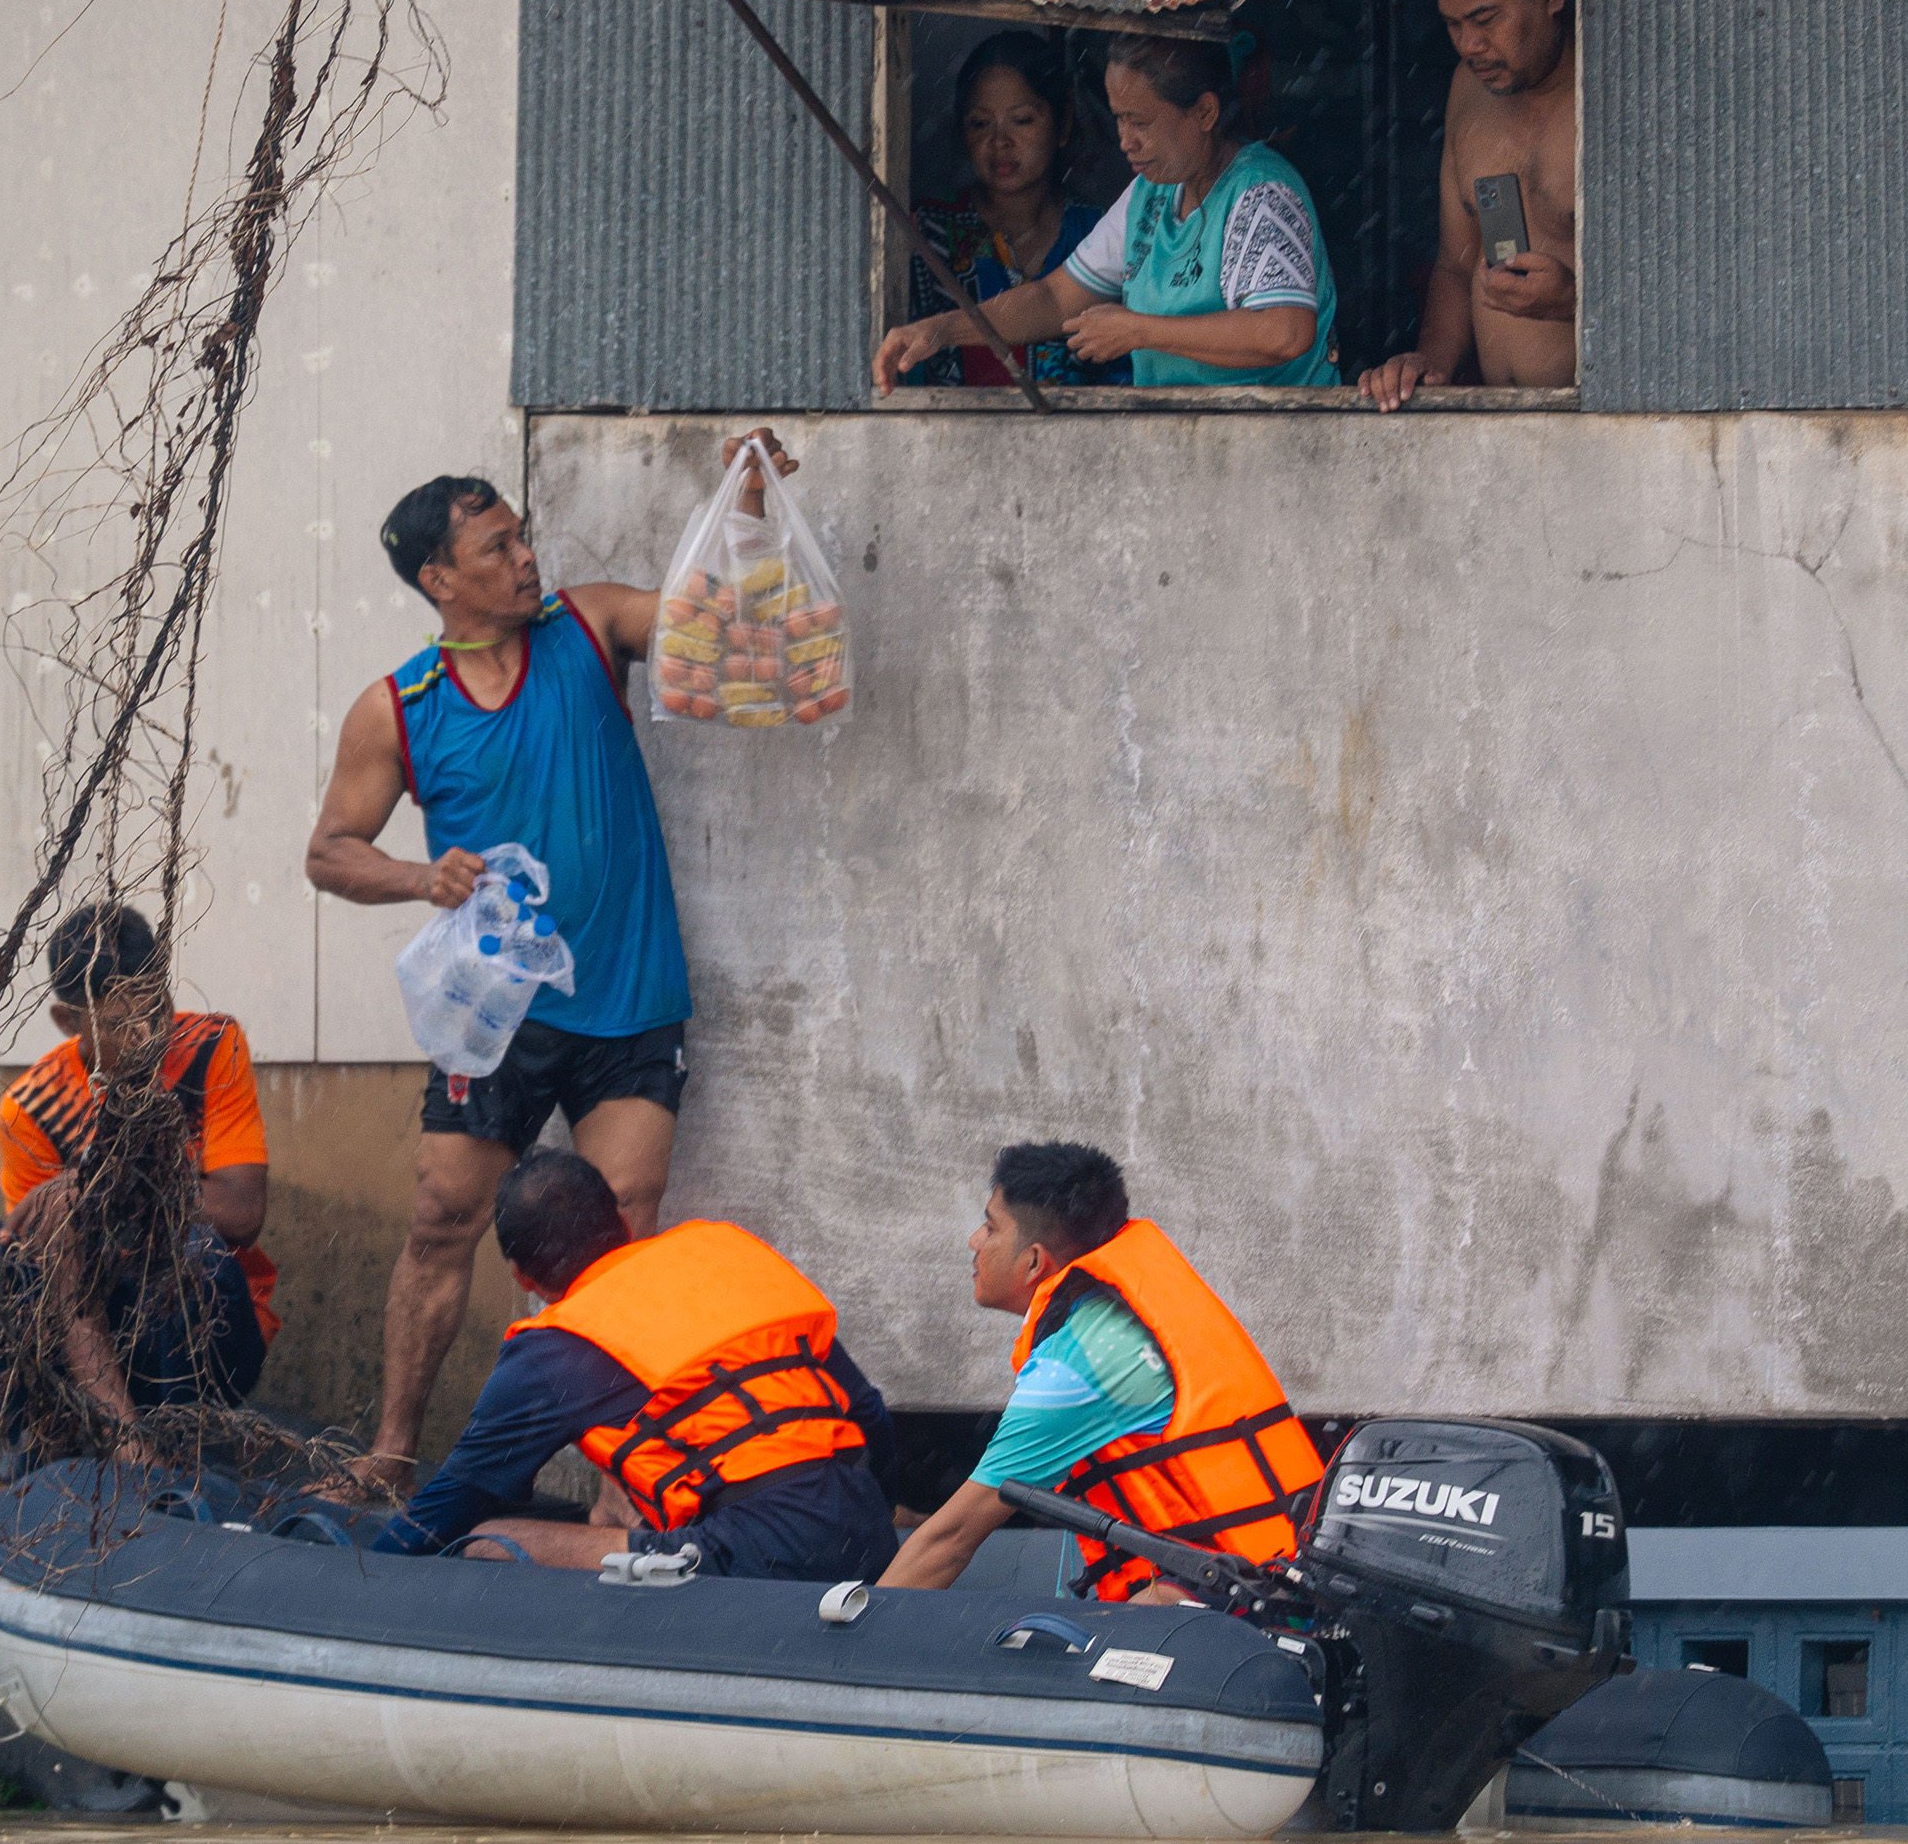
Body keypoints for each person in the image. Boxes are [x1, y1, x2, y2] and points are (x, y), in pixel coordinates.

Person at [305, 435, 791, 1493]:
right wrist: (413, 879)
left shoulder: (586, 625)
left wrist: (744, 500)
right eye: (497, 545)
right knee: (443, 1216)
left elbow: (705, 609)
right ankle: (390, 1456)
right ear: (441, 579)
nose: (526, 556)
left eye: (521, 535)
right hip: (498, 1013)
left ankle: (622, 1489)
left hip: (628, 997)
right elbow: (328, 853)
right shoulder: (401, 704)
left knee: (622, 1228)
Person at [373, 1151, 900, 1579]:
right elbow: (869, 1414)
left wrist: (361, 1569)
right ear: (623, 1225)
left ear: (522, 1278)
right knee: (611, 1509)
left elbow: (453, 1504)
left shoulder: (553, 1347)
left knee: (490, 1542)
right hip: (865, 1523)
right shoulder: (724, 1253)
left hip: (757, 1549)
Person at [880, 1142, 1326, 1602]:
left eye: (990, 1227)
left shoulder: (1080, 1365)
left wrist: (857, 1642)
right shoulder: (1137, 1308)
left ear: (1033, 1261)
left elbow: (951, 1539)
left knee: (1134, 1616)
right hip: (1287, 1579)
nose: (974, 1240)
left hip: (1250, 1604)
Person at [0, 901, 272, 1456]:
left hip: (204, 1339)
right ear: (70, 1022)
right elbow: (60, 1288)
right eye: (120, 1023)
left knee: (197, 1249)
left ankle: (183, 1445)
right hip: (89, 1331)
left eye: (158, 1008)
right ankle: (37, 1442)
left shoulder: (212, 1045)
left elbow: (240, 1215)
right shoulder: (31, 1109)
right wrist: (115, 1417)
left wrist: (99, 1187)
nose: (148, 1036)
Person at [873, 35, 1339, 393]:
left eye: (1140, 122)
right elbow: (1055, 300)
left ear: (1204, 113)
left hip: (1278, 452)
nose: (1125, 141)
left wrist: (1138, 330)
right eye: (1118, 119)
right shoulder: (1149, 196)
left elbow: (1285, 331)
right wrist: (942, 329)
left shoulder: (1260, 193)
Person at [1359, 0, 1579, 410]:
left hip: (1606, 426)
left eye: (1485, 20)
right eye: (1452, 25)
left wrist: (1576, 303)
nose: (1468, 45)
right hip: (1493, 421)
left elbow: (1688, 289)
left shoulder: (1611, 88)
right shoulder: (1468, 87)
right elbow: (1458, 265)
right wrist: (1429, 361)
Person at [903, 32, 1126, 389]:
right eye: (980, 123)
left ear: (1063, 125)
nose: (1000, 142)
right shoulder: (931, 236)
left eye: (1021, 120)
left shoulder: (1099, 233)